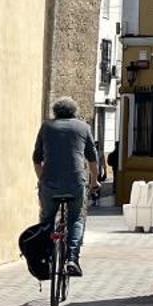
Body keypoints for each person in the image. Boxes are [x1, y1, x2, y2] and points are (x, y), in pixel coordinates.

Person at [32, 97, 99, 276]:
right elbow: (93, 160)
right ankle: (72, 259)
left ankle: (45, 259)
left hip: (50, 183)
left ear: (55, 111)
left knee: (47, 220)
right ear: (74, 111)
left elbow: (36, 159)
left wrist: (42, 180)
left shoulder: (46, 127)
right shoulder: (83, 127)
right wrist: (94, 183)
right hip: (75, 182)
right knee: (76, 218)